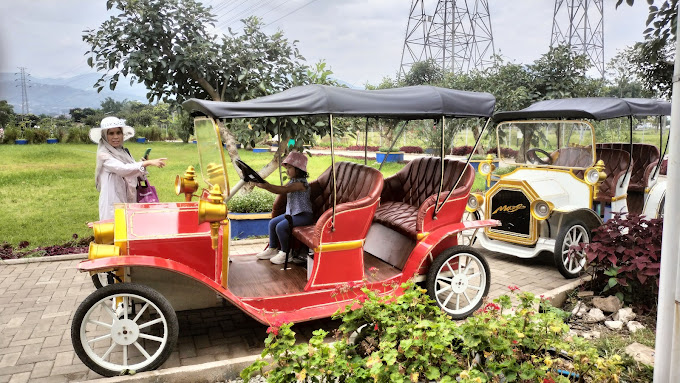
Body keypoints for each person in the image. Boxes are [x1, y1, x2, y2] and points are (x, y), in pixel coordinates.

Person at [92, 116, 167, 221]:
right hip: (112, 199)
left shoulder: (123, 152)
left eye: (118, 133)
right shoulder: (104, 155)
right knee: (113, 230)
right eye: (111, 133)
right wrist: (147, 163)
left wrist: (142, 162)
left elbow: (132, 169)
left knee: (128, 228)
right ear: (105, 135)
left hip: (128, 196)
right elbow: (122, 169)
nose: (116, 136)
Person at [254, 151, 313, 265]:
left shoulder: (301, 184)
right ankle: (272, 248)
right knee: (272, 223)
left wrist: (266, 186)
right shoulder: (292, 181)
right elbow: (280, 188)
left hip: (304, 215)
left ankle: (286, 253)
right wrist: (264, 184)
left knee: (281, 227)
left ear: (298, 169)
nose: (287, 170)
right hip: (293, 214)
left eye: (290, 168)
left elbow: (282, 190)